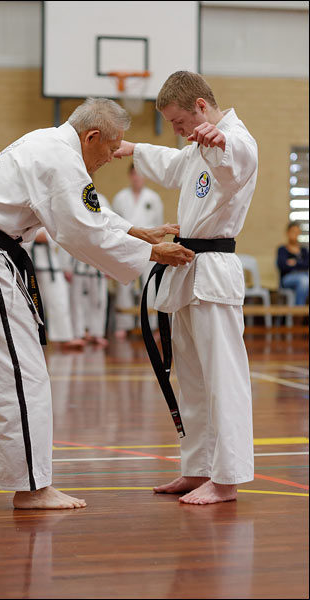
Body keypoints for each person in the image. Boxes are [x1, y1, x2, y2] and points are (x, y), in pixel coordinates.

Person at [0, 97, 195, 510]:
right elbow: (82, 231)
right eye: (110, 147)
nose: (110, 157)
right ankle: (32, 488)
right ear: (91, 136)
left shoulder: (45, 142)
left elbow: (86, 214)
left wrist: (136, 232)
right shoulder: (62, 160)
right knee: (22, 374)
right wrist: (153, 254)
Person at [115, 71, 258, 505]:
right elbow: (173, 166)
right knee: (191, 379)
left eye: (179, 122)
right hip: (185, 266)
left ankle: (228, 478)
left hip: (214, 268)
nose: (177, 131)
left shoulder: (236, 139)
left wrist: (221, 143)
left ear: (199, 106)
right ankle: (197, 469)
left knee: (223, 377)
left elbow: (237, 165)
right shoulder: (198, 143)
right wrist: (131, 148)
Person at [112, 164, 164, 337]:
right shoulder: (120, 198)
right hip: (126, 246)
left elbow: (159, 226)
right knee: (124, 283)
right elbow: (113, 226)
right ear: (130, 176)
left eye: (140, 175)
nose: (137, 178)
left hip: (148, 247)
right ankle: (123, 324)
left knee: (149, 286)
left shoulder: (154, 198)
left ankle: (151, 325)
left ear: (145, 177)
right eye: (134, 174)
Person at [68, 191, 112, 347]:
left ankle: (97, 333)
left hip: (98, 259)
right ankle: (78, 332)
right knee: (76, 300)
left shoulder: (103, 199)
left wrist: (109, 265)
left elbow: (110, 230)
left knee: (99, 299)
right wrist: (66, 266)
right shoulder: (72, 199)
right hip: (78, 258)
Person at [276, 222, 309, 305]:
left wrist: (295, 263)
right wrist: (300, 264)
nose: (295, 234)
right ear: (287, 232)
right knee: (304, 281)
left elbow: (307, 264)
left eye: (297, 232)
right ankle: (298, 313)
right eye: (293, 232)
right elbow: (282, 266)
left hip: (305, 276)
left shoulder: (304, 250)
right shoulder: (282, 249)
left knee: (304, 281)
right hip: (287, 279)